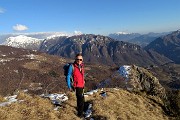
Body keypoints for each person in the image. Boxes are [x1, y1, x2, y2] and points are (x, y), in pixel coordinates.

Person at [66, 53, 85, 118]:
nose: (79, 61)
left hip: (82, 85)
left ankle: (81, 110)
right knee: (80, 100)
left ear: (82, 60)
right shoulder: (72, 66)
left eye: (80, 59)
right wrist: (69, 86)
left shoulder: (82, 66)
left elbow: (81, 75)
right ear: (75, 59)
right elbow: (68, 76)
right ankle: (80, 114)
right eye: (77, 59)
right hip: (77, 86)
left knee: (82, 99)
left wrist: (83, 81)